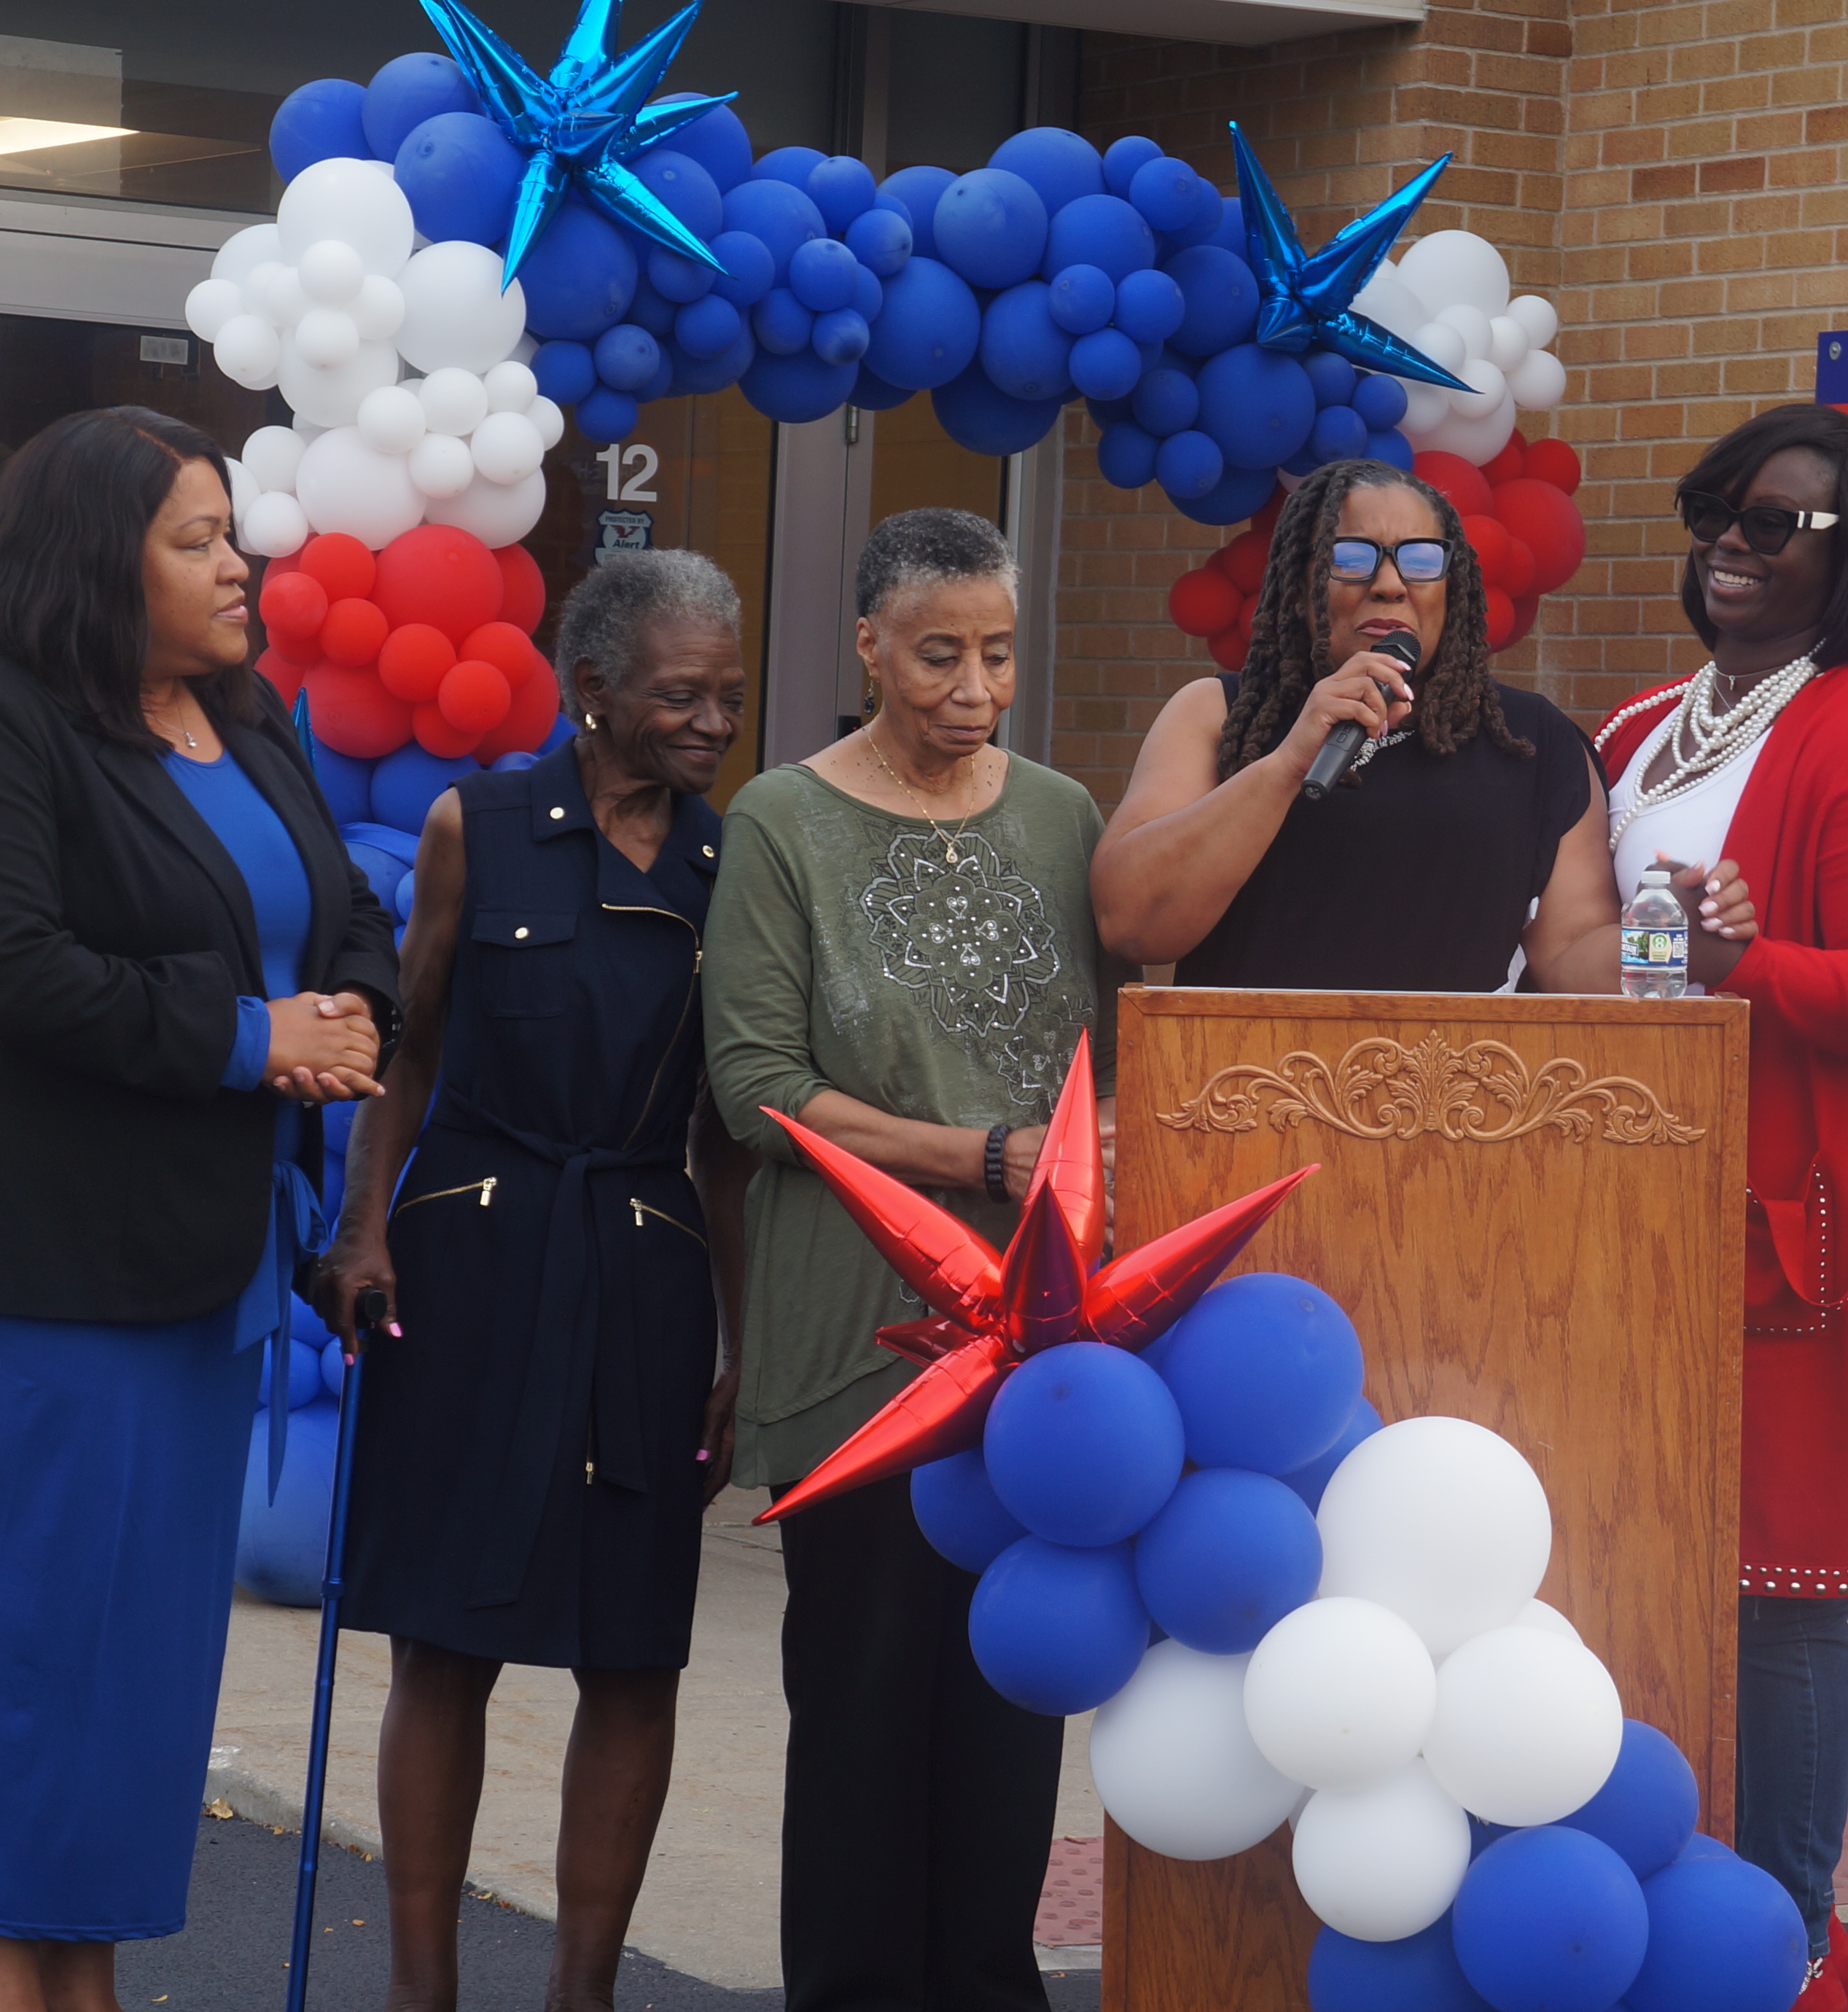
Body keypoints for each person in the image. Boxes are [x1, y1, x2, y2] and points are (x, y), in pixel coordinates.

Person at [0, 406, 396, 2011]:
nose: (241, 565)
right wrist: (251, 1041)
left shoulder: (245, 716)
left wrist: (348, 1013)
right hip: (32, 1286)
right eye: (195, 541)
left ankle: (75, 1979)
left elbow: (340, 906)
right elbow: (6, 977)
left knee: (120, 1706)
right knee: (17, 1700)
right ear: (98, 563)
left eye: (234, 532)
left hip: (196, 1287)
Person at [308, 551, 756, 2012]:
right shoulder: (472, 827)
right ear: (593, 695)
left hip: (642, 1272)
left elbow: (718, 1131)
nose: (711, 723)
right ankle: (420, 1989)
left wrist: (738, 1337)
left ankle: (583, 1995)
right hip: (476, 1255)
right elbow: (414, 1040)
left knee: (632, 1654)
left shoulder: (723, 864)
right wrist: (364, 1224)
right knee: (444, 1640)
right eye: (680, 695)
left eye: (729, 697)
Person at [703, 508, 1121, 2012]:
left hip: (1043, 1352)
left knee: (1008, 1704)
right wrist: (981, 1156)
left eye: (997, 653)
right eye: (937, 652)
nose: (971, 685)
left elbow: (1113, 1062)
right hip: (863, 1345)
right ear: (866, 645)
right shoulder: (779, 824)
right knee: (868, 1708)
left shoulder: (1066, 817)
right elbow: (754, 1085)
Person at [1591, 402, 1848, 2012]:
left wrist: (1745, 961)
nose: (1731, 546)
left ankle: (1790, 1946)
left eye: (1775, 525)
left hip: (1789, 1227)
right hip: (1626, 1210)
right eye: (1716, 515)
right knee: (1625, 1573)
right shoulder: (1632, 728)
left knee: (1778, 1598)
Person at [1092, 456, 1615, 991]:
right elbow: (1131, 928)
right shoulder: (1216, 714)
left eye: (1419, 560)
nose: (1389, 584)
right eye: (1352, 558)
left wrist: (1686, 933)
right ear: (1300, 590)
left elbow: (1573, 952)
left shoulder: (1534, 741)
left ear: (1451, 588)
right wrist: (1289, 762)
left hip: (1450, 1071)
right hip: (1252, 1072)